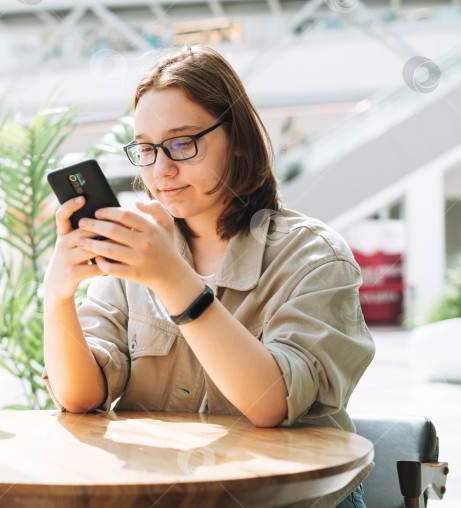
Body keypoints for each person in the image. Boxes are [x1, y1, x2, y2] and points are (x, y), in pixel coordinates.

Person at [42, 45, 375, 508]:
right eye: (146, 149)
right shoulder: (138, 253)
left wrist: (173, 281)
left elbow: (271, 404)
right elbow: (81, 397)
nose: (162, 169)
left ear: (237, 139)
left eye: (182, 143)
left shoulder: (316, 258)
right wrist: (56, 296)